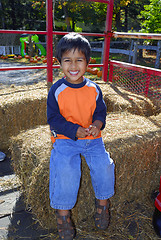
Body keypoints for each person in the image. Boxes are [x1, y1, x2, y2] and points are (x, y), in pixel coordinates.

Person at [47, 32, 115, 240]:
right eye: (68, 60)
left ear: (88, 62)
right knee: (65, 169)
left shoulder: (94, 89)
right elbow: (53, 119)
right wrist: (72, 130)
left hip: (92, 140)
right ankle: (63, 214)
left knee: (104, 165)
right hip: (66, 140)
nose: (73, 66)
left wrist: (97, 124)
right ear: (59, 63)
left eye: (79, 60)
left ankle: (102, 204)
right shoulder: (56, 90)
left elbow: (100, 112)